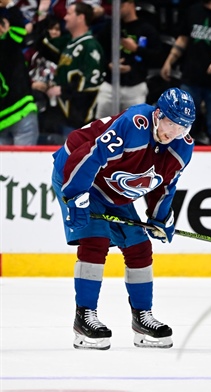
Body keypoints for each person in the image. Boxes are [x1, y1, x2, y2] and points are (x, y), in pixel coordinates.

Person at [51, 87, 196, 350]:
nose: (173, 133)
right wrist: (75, 195)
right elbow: (89, 156)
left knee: (139, 245)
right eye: (171, 124)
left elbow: (164, 186)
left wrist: (160, 219)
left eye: (182, 128)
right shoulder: (134, 124)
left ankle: (143, 318)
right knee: (95, 240)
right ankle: (84, 318)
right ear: (158, 114)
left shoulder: (182, 147)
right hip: (76, 172)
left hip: (112, 189)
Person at [160, 0, 211, 145]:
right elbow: (183, 38)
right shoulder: (193, 10)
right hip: (191, 77)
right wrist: (169, 61)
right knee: (182, 123)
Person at [45, 2, 105, 138]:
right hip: (62, 114)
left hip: (77, 120)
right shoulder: (70, 42)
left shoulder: (90, 46)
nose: (65, 17)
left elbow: (90, 84)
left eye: (69, 13)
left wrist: (63, 90)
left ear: (81, 17)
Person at [95, 0, 162, 119]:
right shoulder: (111, 27)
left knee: (133, 126)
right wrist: (109, 64)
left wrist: (136, 49)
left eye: (121, 5)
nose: (117, 8)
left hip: (134, 86)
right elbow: (99, 50)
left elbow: (157, 58)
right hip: (110, 84)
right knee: (101, 126)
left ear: (130, 4)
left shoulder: (146, 29)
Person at [0, 0, 39, 145]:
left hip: (12, 113)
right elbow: (20, 29)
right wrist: (9, 5)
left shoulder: (8, 42)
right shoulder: (9, 41)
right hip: (20, 109)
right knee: (25, 165)